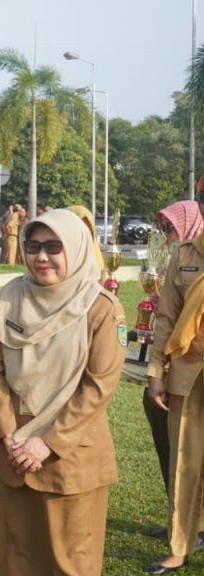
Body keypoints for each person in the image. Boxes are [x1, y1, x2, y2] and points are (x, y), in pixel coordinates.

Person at [0, 209, 125, 574]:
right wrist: (7, 434)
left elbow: (98, 386)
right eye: (33, 246)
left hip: (68, 455)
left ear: (75, 248)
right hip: (15, 453)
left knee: (69, 562)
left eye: (53, 247)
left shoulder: (100, 307)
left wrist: (46, 443)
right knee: (13, 560)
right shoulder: (12, 296)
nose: (41, 257)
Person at [145, 190, 204, 574]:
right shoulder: (184, 255)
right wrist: (156, 372)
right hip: (188, 372)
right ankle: (180, 546)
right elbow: (166, 317)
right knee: (185, 460)